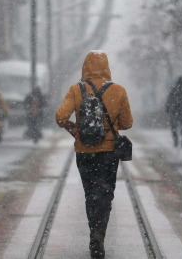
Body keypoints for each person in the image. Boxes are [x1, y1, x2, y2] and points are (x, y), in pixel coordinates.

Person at [55, 51, 133, 259]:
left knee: (90, 194)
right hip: (108, 153)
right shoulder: (118, 90)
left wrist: (73, 128)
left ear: (85, 67)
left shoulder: (76, 89)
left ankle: (93, 232)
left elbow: (60, 116)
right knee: (105, 194)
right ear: (106, 67)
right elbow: (127, 123)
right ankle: (99, 234)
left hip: (84, 151)